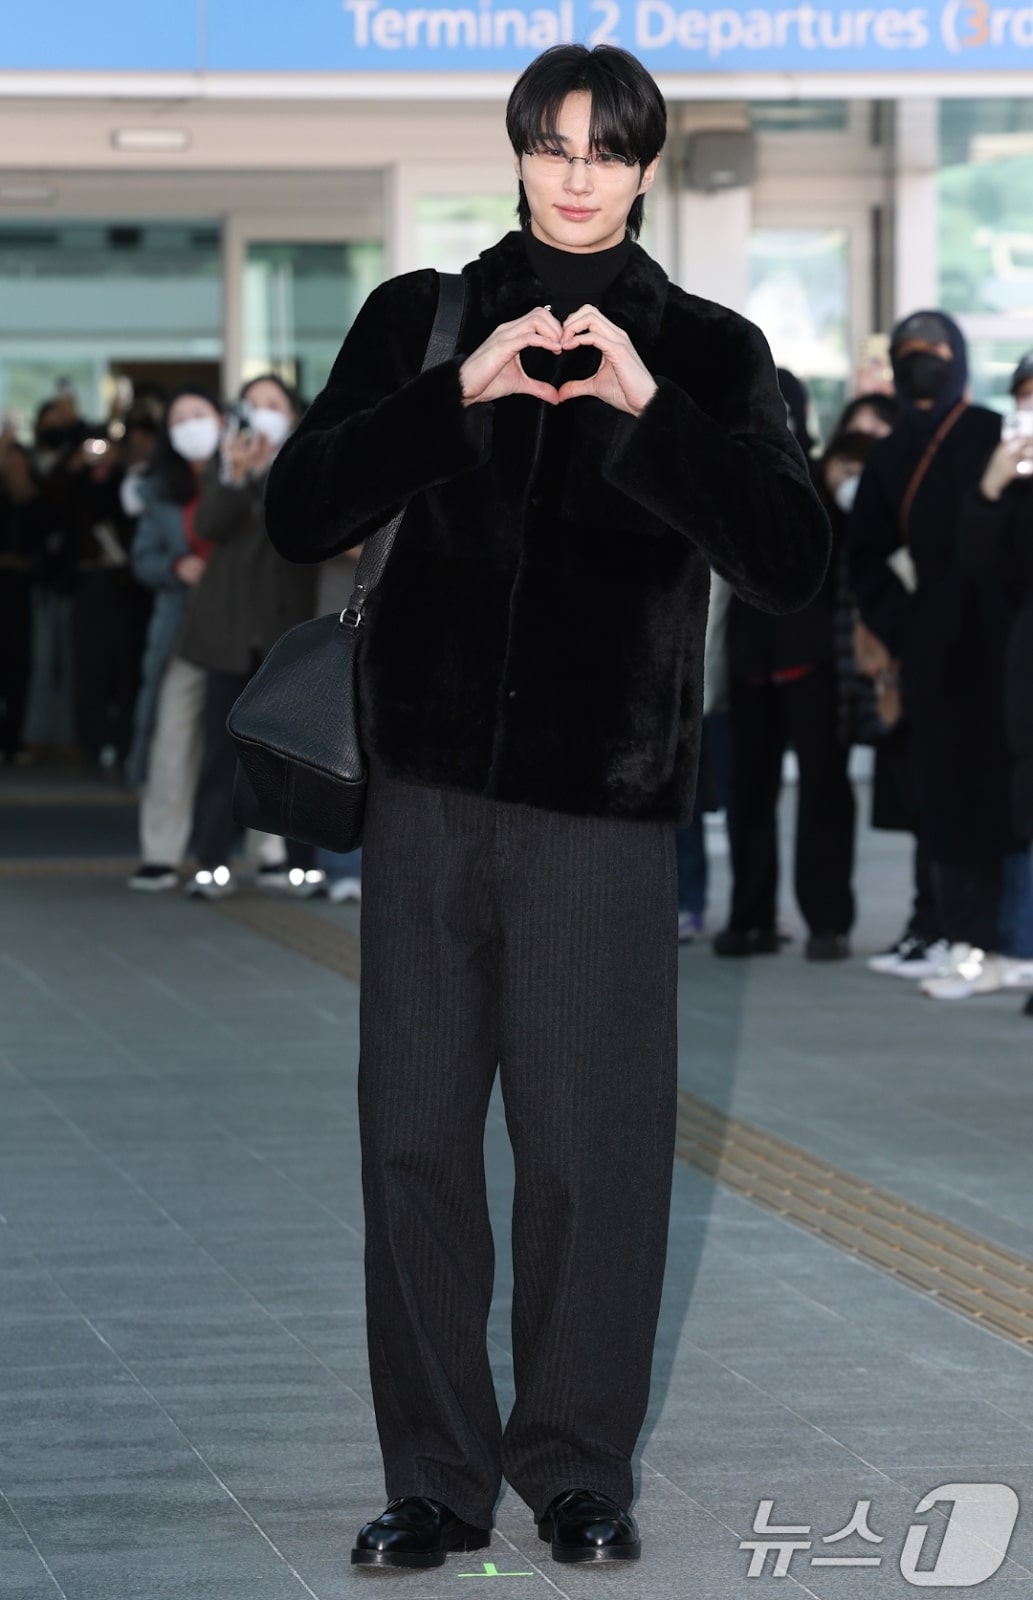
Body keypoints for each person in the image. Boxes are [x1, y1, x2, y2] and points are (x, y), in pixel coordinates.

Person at [266, 43, 829, 1569]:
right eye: (554, 145)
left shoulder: (711, 349)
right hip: (429, 793)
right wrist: (453, 398)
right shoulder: (423, 317)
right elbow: (300, 509)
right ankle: (435, 1480)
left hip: (604, 808)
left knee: (594, 1150)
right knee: (414, 1141)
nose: (579, 176)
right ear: (517, 152)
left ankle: (579, 1467)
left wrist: (652, 416)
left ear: (646, 167)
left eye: (608, 149)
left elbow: (791, 562)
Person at [849, 310, 1017, 1000]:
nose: (921, 364)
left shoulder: (989, 433)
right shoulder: (891, 451)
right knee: (939, 796)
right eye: (908, 353)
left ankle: (995, 939)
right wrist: (907, 621)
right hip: (930, 649)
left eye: (934, 352)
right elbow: (865, 554)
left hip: (999, 646)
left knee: (996, 795)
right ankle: (952, 932)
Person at [713, 382, 879, 962]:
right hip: (751, 661)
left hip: (815, 661)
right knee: (748, 795)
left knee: (823, 792)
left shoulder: (821, 478)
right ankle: (750, 917)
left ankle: (827, 921)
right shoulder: (729, 472)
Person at [178, 374, 320, 899]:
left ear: (292, 414)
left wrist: (273, 473)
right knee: (220, 754)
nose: (261, 413)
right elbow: (209, 525)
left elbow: (309, 530)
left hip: (289, 635)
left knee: (295, 756)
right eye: (252, 404)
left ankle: (300, 864)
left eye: (272, 404)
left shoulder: (308, 464)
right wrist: (237, 475)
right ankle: (212, 863)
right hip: (230, 634)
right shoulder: (226, 465)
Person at [957, 350, 1033, 1012]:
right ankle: (1017, 946)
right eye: (1025, 399)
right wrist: (989, 488)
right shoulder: (1011, 485)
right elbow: (980, 567)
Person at [125, 389, 223, 890]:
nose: (190, 425)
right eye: (179, 418)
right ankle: (161, 852)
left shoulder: (251, 473)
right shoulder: (158, 488)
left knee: (257, 736)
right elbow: (141, 559)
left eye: (198, 414)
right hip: (184, 627)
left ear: (221, 419)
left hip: (246, 626)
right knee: (173, 738)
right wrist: (175, 565)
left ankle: (271, 851)